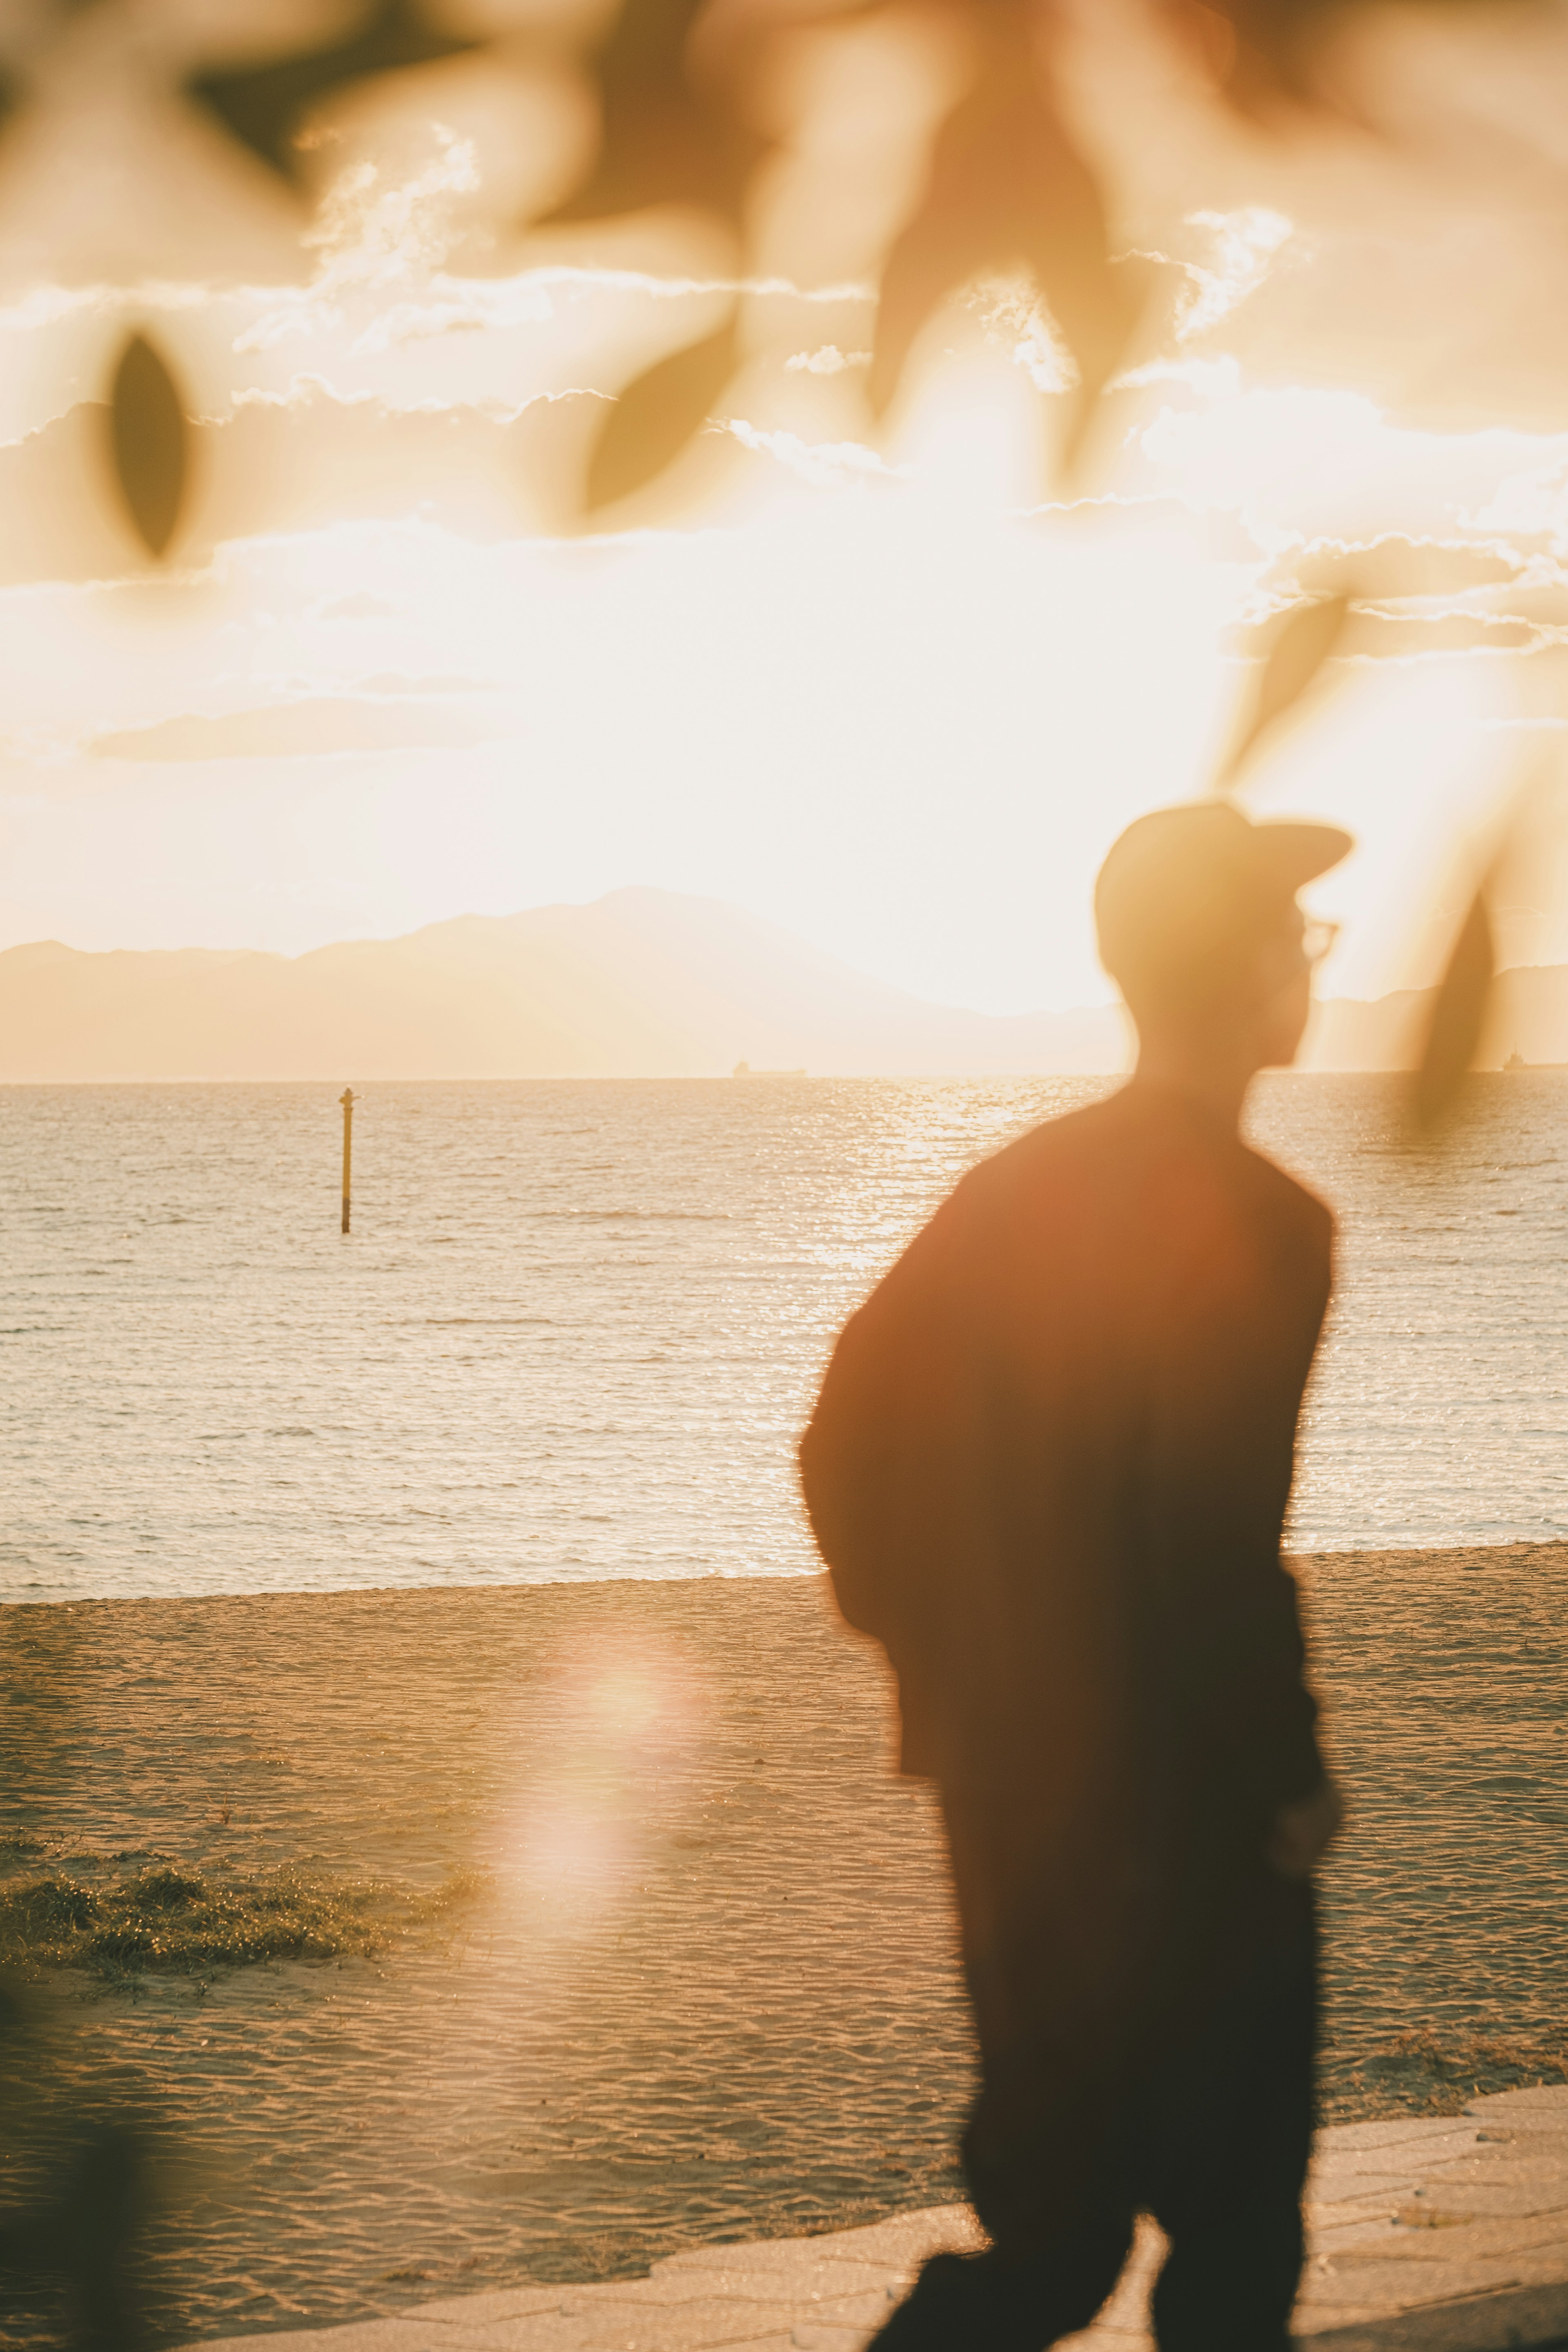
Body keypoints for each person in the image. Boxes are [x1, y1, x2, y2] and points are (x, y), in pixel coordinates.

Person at [799, 800, 1351, 2351]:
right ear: (1246, 969)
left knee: (1057, 2234)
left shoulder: (1015, 1190)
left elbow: (841, 1444)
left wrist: (955, 1669)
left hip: (1013, 1799)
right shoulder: (1266, 1223)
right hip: (1189, 1812)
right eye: (1296, 937)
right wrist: (1290, 1774)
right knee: (1234, 2241)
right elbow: (1212, 1538)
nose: (1310, 963)